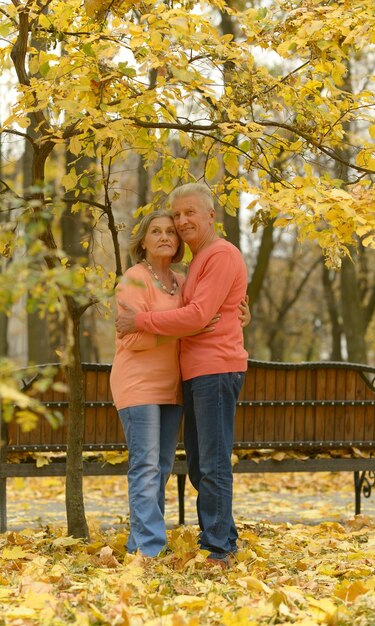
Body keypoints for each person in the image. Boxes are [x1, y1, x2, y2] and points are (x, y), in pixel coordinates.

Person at [115, 183, 249, 566]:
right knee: (188, 465)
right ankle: (167, 542)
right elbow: (188, 319)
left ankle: (218, 546)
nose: (180, 222)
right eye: (176, 216)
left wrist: (158, 322)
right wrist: (191, 324)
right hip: (169, 380)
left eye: (188, 214)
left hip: (209, 373)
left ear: (211, 216)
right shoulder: (164, 275)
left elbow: (197, 316)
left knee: (209, 464)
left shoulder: (210, 260)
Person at [110, 210, 186, 557]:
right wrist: (180, 328)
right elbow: (133, 339)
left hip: (172, 386)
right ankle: (153, 549)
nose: (164, 236)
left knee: (163, 467)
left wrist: (241, 313)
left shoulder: (182, 282)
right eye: (155, 231)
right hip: (138, 384)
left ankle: (138, 544)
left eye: (170, 231)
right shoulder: (134, 278)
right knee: (146, 465)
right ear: (143, 241)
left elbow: (204, 315)